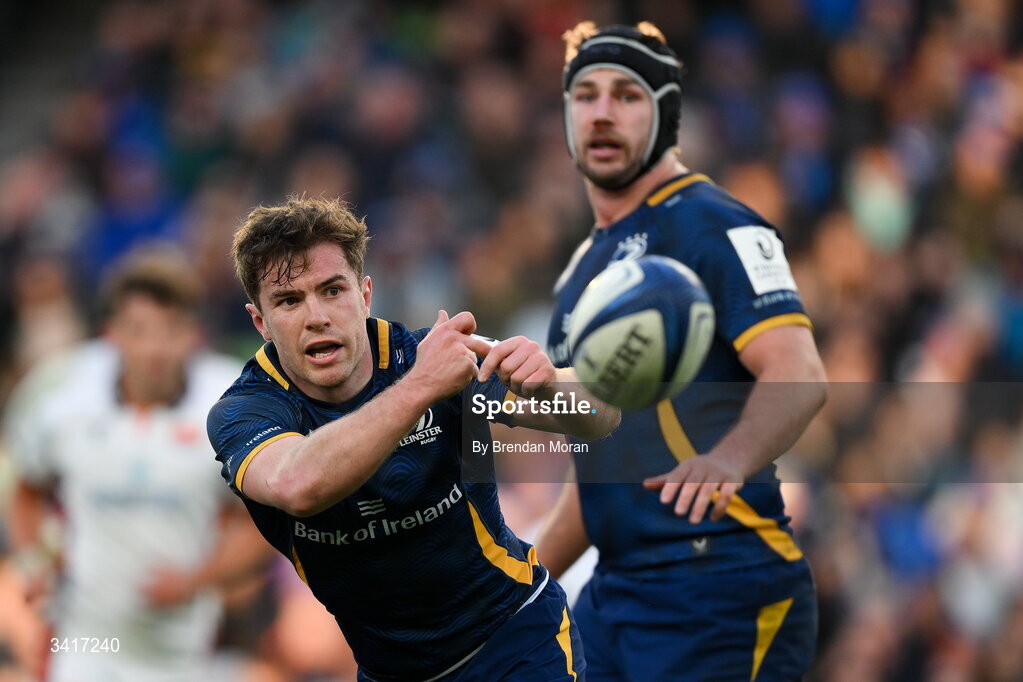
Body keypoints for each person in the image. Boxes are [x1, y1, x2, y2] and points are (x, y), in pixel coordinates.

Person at [207, 196, 618, 682]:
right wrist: (422, 387)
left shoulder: (429, 355)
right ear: (261, 322)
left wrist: (549, 380)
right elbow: (298, 484)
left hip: (514, 641)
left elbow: (600, 415)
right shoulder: (246, 411)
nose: (316, 316)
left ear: (364, 295)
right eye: (290, 300)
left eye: (332, 290)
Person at [535, 21, 828, 681]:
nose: (602, 112)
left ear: (665, 114)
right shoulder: (582, 276)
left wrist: (727, 459)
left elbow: (799, 372)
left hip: (718, 583)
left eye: (626, 95)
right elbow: (598, 478)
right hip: (613, 599)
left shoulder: (712, 222)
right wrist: (508, 585)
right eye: (584, 95)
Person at [4, 247, 273, 682]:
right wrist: (35, 565)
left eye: (169, 330)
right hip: (84, 637)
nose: (154, 348)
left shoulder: (231, 405)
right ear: (111, 333)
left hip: (182, 646)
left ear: (194, 335)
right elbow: (26, 489)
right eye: (138, 330)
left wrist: (200, 578)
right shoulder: (61, 392)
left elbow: (263, 519)